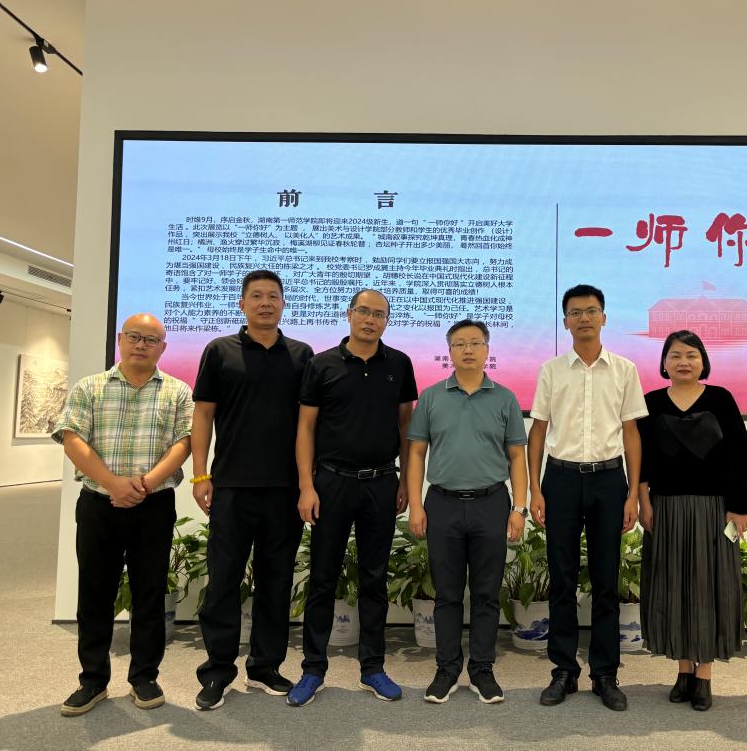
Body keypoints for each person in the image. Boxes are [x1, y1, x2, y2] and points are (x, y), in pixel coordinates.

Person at [53, 314, 193, 716]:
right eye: (134, 336)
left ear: (163, 348)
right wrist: (113, 483)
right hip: (99, 504)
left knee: (149, 593)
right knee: (94, 594)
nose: (141, 345)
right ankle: (92, 680)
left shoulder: (178, 391)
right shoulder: (90, 387)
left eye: (151, 339)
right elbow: (72, 439)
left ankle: (144, 677)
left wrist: (144, 484)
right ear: (120, 339)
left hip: (154, 505)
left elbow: (183, 443)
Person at [286, 289, 417, 707]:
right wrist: (306, 485)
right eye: (363, 311)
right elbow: (306, 428)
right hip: (332, 483)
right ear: (349, 314)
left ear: (386, 321)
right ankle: (313, 669)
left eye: (379, 314)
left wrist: (405, 481)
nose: (370, 319)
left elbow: (406, 426)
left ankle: (372, 668)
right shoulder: (321, 364)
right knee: (323, 578)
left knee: (374, 579)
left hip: (381, 482)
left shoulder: (399, 364)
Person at [192, 270, 314, 710]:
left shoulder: (301, 355)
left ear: (283, 304)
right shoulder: (219, 350)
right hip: (232, 487)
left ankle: (265, 666)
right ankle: (217, 671)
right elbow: (203, 414)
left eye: (273, 296)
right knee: (224, 581)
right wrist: (200, 475)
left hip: (284, 490)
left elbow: (309, 424)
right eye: (257, 296)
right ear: (242, 304)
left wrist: (307, 484)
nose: (266, 303)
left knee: (275, 581)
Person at [528, 283, 647, 712]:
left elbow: (631, 433)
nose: (584, 318)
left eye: (591, 311)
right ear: (565, 322)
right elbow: (537, 431)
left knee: (605, 580)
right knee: (561, 579)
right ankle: (563, 670)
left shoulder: (625, 370)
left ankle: (605, 673)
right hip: (560, 480)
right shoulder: (551, 370)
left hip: (608, 481)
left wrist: (632, 493)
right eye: (576, 312)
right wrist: (535, 488)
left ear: (604, 318)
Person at [405, 319, 528, 705]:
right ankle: (446, 669)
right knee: (447, 594)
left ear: (487, 350)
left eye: (475, 343)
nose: (468, 349)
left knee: (487, 593)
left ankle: (482, 670)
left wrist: (519, 507)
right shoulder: (431, 397)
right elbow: (416, 453)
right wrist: (415, 505)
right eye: (460, 344)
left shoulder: (505, 398)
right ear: (450, 352)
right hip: (442, 504)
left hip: (492, 504)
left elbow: (517, 456)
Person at [637, 330, 747, 712]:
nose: (683, 362)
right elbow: (641, 459)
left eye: (691, 355)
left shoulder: (720, 399)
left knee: (710, 586)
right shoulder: (651, 402)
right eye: (675, 355)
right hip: (665, 507)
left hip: (714, 509)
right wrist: (644, 502)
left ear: (703, 361)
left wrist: (740, 506)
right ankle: (683, 669)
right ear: (664, 362)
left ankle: (704, 674)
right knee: (672, 585)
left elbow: (738, 454)